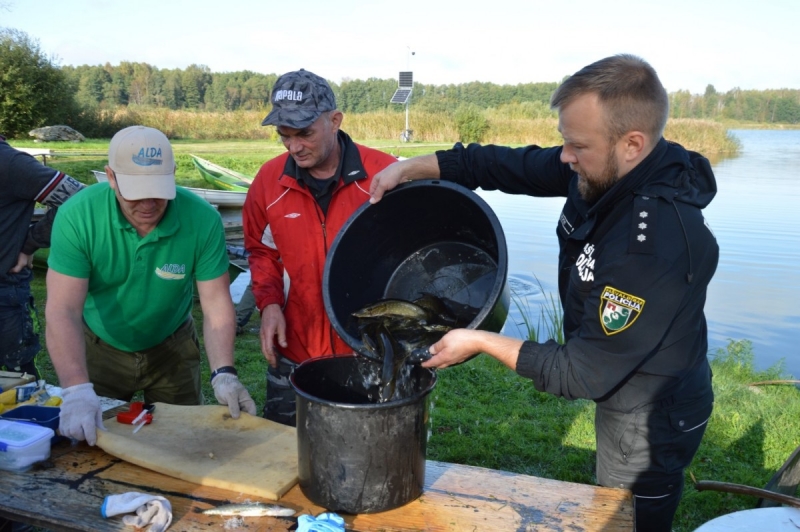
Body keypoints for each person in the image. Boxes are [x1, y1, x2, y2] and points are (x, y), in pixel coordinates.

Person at [369, 54, 718, 531]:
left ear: (632, 143)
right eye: (564, 141)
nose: (564, 157)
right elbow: (504, 165)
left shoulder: (652, 246)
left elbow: (582, 372)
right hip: (619, 373)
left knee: (626, 514)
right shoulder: (605, 166)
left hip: (650, 407)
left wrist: (479, 340)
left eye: (576, 145)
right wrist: (412, 168)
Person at [46, 125, 256, 447]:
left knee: (184, 443)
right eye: (135, 190)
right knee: (97, 444)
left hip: (172, 345)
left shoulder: (201, 219)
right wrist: (75, 388)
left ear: (172, 174)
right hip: (101, 344)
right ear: (111, 177)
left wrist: (223, 372)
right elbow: (63, 310)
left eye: (158, 189)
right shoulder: (78, 216)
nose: (148, 203)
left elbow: (215, 305)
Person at [242, 69, 398, 426]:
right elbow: (262, 251)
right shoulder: (269, 182)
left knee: (367, 455)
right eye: (284, 135)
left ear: (335, 120)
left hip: (366, 351)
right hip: (294, 350)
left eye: (305, 134)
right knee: (283, 454)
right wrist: (267, 304)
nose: (294, 147)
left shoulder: (384, 174)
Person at [0, 136, 85, 532]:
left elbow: (76, 198)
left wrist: (31, 241)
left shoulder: (9, 162)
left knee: (13, 401)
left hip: (3, 296)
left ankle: (25, 510)